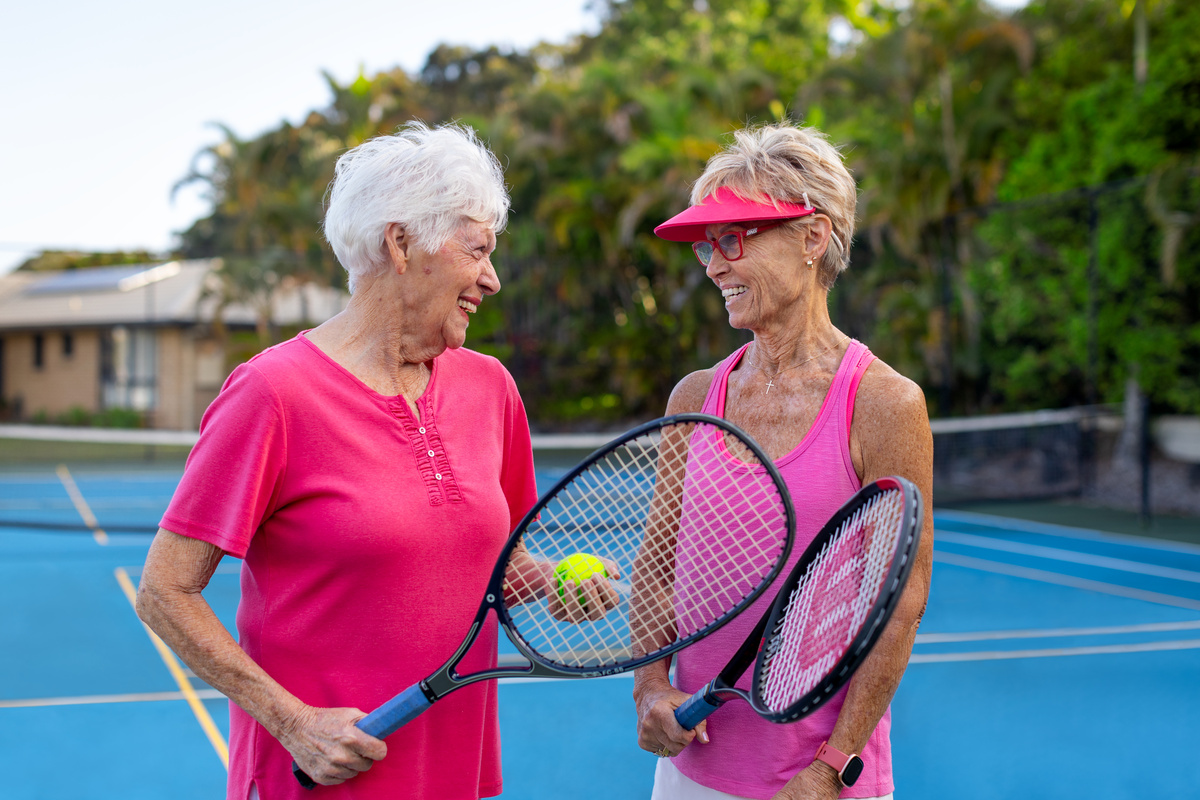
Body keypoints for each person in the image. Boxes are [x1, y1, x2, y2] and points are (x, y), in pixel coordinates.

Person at [136, 122, 546, 800]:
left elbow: (496, 567)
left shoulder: (491, 389)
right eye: (478, 251)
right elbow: (164, 592)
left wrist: (556, 582)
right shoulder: (271, 394)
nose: (492, 279)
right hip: (318, 778)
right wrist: (293, 722)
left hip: (453, 776)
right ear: (401, 243)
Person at [633, 122, 934, 800]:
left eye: (733, 240)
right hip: (689, 773)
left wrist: (834, 766)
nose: (712, 265)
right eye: (708, 246)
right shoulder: (694, 396)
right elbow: (656, 569)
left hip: (817, 781)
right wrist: (650, 688)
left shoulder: (886, 405)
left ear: (812, 237)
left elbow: (901, 602)